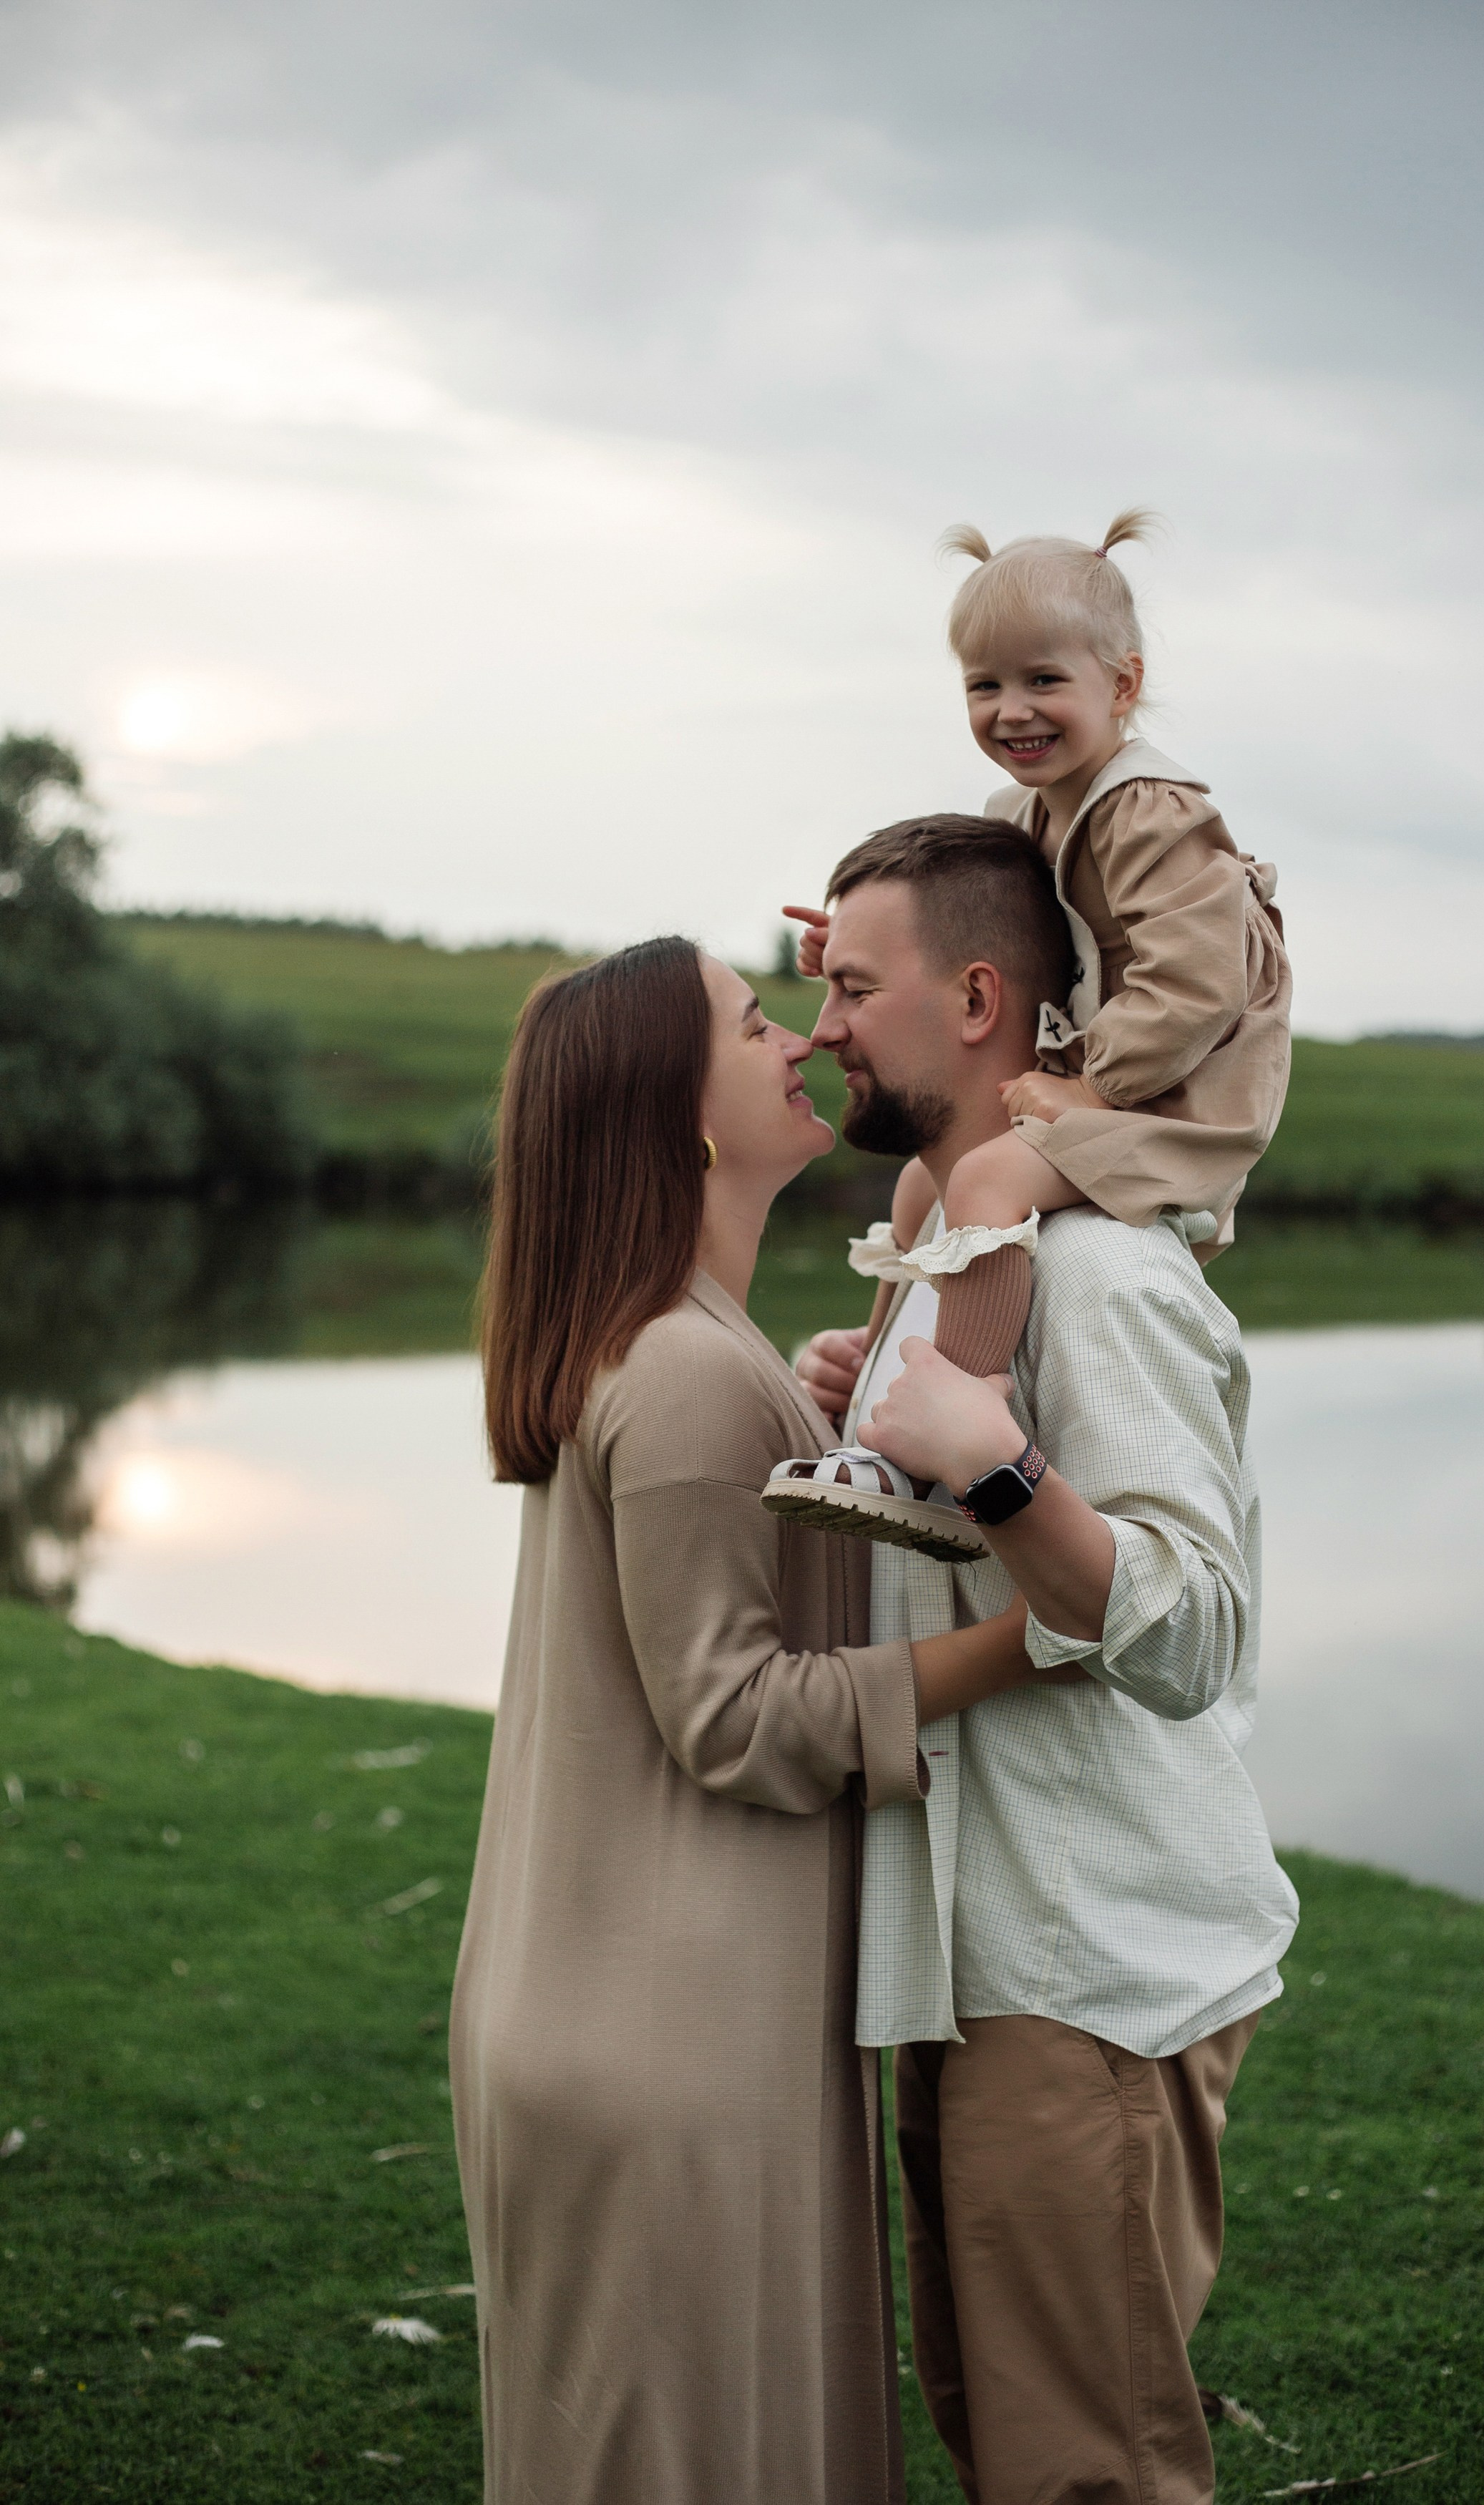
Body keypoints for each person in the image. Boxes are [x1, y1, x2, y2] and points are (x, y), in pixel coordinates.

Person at [449, 935, 1070, 2505]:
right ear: (684, 1116)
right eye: (751, 1025)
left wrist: (828, 1426)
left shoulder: (687, 1346)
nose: (799, 1037)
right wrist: (1036, 1639)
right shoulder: (681, 1369)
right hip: (670, 2035)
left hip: (639, 2005)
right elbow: (733, 1714)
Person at [781, 825, 1299, 2505]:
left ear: (979, 999)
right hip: (968, 1961)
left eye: (856, 988)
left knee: (1089, 2471)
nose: (824, 1026)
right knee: (1003, 2444)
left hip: (1089, 1979)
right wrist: (861, 1401)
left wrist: (1003, 1472)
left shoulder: (1103, 1273)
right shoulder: (958, 1264)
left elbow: (1200, 1628)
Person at [778, 512, 1291, 1554]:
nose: (1011, 710)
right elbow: (973, 923)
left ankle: (960, 1416)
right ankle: (883, 1397)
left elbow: (1196, 987)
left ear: (1123, 683)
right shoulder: (1024, 813)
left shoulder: (1149, 811)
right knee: (921, 1191)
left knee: (982, 1181)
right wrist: (855, 949)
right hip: (1111, 1079)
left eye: (1043, 680)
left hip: (1178, 1092)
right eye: (984, 685)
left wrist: (1092, 1088)